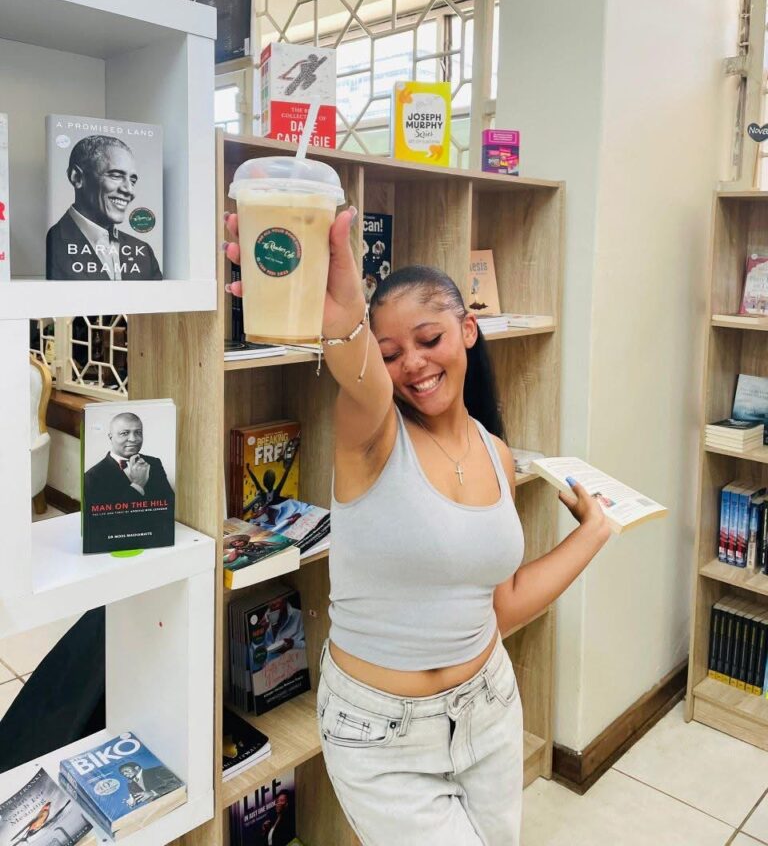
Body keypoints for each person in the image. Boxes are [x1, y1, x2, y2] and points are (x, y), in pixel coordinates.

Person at [223, 207, 610, 845]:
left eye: (430, 340)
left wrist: (592, 533)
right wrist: (345, 321)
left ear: (467, 330)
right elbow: (361, 379)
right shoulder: (372, 437)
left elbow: (502, 604)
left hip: (488, 707)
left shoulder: (496, 453)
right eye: (391, 353)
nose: (414, 364)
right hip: (380, 735)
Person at [46, 134, 162, 281]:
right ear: (77, 177)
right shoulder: (51, 245)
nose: (130, 191)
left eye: (132, 181)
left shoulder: (144, 253)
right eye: (116, 176)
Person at [84, 412, 175, 508]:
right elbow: (108, 516)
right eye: (124, 433)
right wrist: (137, 485)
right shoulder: (92, 477)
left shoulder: (154, 463)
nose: (133, 439)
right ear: (110, 437)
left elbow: (170, 505)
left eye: (138, 432)